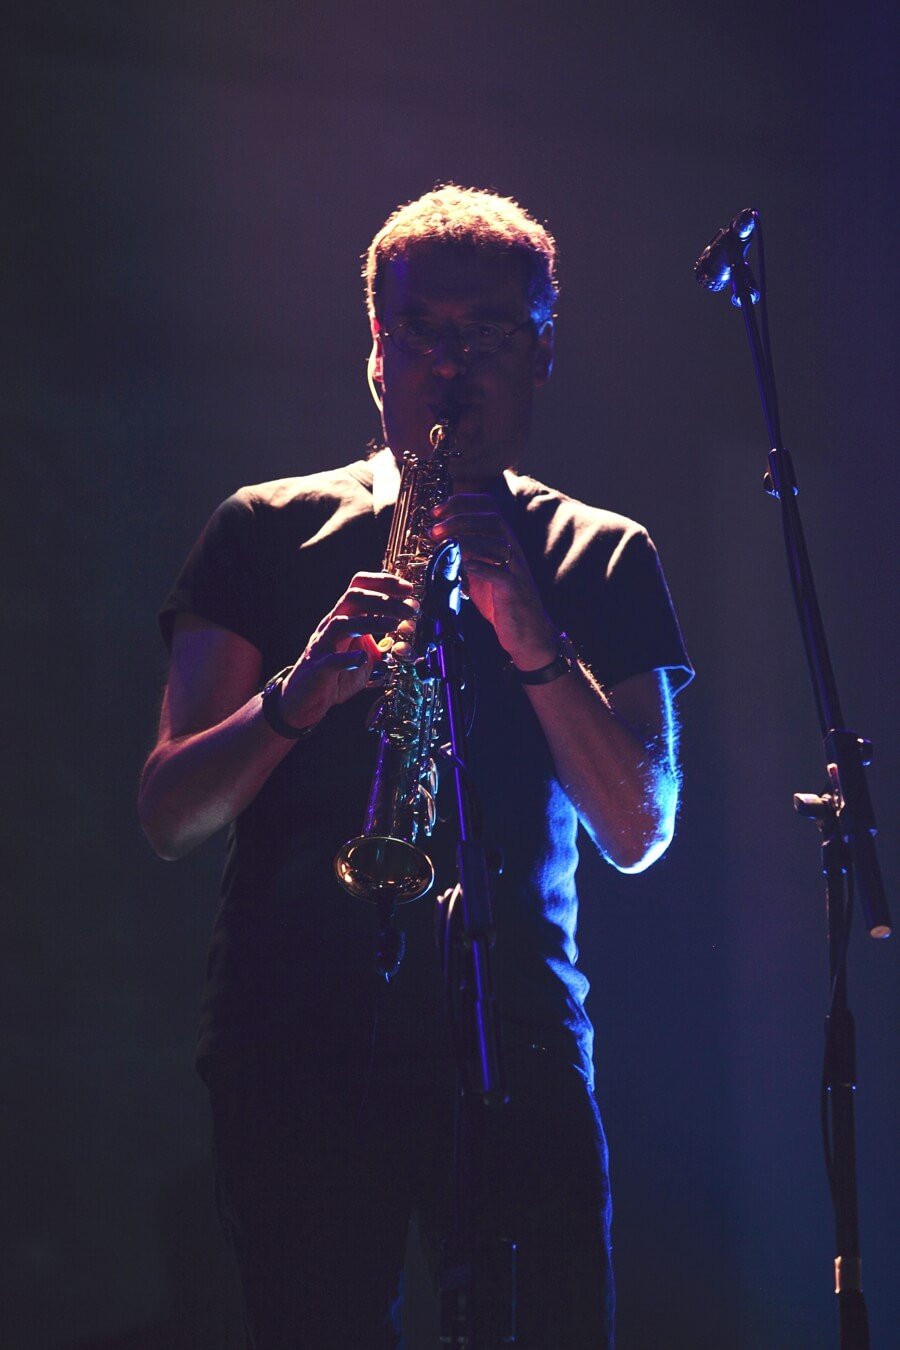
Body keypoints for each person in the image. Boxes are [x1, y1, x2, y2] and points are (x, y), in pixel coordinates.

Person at [139, 185, 693, 1349]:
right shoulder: (261, 528)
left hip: (517, 1042)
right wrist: (296, 697)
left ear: (542, 353)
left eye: (486, 335)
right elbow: (170, 814)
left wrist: (530, 631)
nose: (449, 367)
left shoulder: (601, 552)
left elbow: (640, 829)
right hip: (293, 1040)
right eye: (419, 332)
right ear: (375, 350)